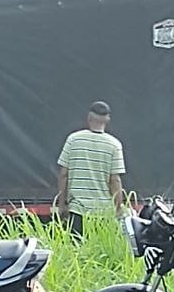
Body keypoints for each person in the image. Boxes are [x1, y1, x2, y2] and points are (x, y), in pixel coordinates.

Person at [54, 102, 126, 238]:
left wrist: (62, 204)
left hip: (77, 211)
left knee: (76, 252)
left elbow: (64, 174)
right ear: (107, 119)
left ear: (89, 117)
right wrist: (118, 208)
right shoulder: (114, 145)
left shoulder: (73, 140)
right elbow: (114, 180)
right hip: (103, 213)